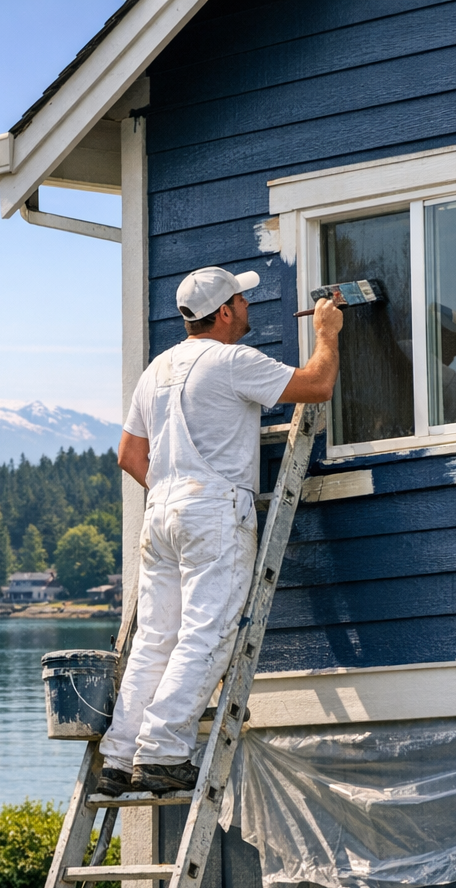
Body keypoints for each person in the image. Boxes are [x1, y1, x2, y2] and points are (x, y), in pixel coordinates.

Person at [98, 266, 343, 794]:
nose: (249, 307)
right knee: (207, 632)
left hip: (161, 511)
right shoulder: (231, 361)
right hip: (211, 510)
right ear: (226, 311)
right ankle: (162, 752)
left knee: (155, 639)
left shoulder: (156, 370)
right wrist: (327, 332)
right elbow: (317, 384)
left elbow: (128, 455)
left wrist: (172, 488)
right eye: (243, 299)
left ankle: (120, 756)